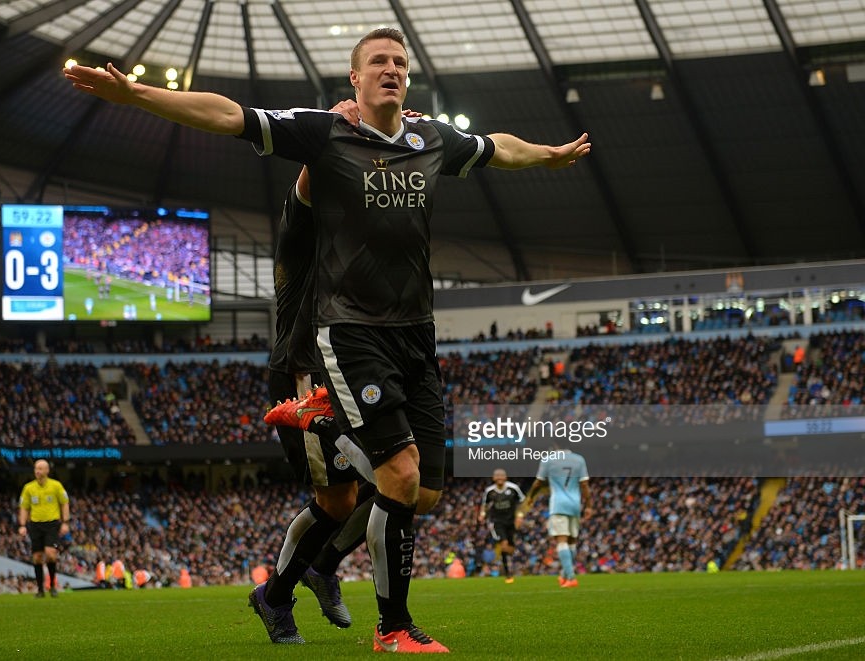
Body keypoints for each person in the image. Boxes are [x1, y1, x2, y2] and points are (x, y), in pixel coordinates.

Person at [65, 27, 588, 652]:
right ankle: (391, 624)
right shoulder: (325, 135)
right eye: (378, 62)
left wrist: (547, 156)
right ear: (355, 81)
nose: (391, 69)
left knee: (421, 493)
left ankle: (304, 571)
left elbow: (496, 147)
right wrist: (139, 96)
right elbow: (229, 114)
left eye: (400, 62)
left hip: (417, 337)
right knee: (391, 476)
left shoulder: (431, 139)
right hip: (346, 335)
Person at [252, 124, 378, 642]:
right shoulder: (301, 232)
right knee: (339, 502)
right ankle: (278, 596)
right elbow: (307, 186)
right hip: (308, 378)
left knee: (398, 478)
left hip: (349, 373)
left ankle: (317, 570)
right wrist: (341, 134)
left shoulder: (353, 245)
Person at [524, 449, 590, 588]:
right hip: (575, 504)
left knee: (562, 540)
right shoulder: (579, 459)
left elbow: (538, 482)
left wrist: (530, 497)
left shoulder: (548, 459)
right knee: (571, 542)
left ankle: (571, 577)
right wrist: (589, 505)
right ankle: (565, 575)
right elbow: (584, 484)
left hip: (559, 504)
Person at [17, 459, 70, 598]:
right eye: (36, 468)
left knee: (51, 553)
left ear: (47, 470)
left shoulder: (56, 486)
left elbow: (64, 503)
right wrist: (22, 525)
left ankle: (52, 585)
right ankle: (40, 589)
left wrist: (65, 522)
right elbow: (24, 507)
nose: (37, 471)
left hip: (52, 524)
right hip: (35, 525)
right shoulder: (29, 488)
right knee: (37, 557)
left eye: (40, 469)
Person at [478, 469, 526, 583]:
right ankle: (508, 572)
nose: (499, 477)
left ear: (506, 477)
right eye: (497, 476)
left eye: (501, 475)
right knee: (504, 544)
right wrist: (482, 514)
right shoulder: (490, 491)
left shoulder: (513, 488)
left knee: (510, 547)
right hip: (497, 522)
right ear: (493, 478)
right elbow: (484, 505)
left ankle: (513, 556)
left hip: (512, 522)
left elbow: (523, 502)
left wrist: (520, 516)